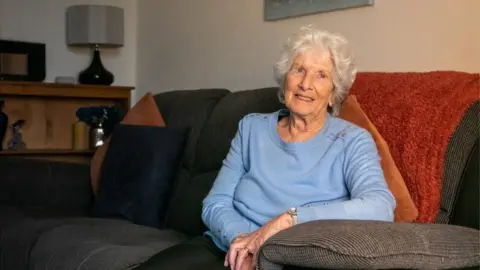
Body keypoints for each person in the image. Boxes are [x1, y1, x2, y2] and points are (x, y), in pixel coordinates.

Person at [134, 25, 396, 270]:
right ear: (285, 79)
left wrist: (291, 219)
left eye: (321, 75)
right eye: (299, 70)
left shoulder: (350, 140)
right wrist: (243, 241)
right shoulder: (252, 128)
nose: (306, 84)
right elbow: (215, 202)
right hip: (227, 246)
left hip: (287, 256)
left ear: (333, 93)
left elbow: (380, 206)